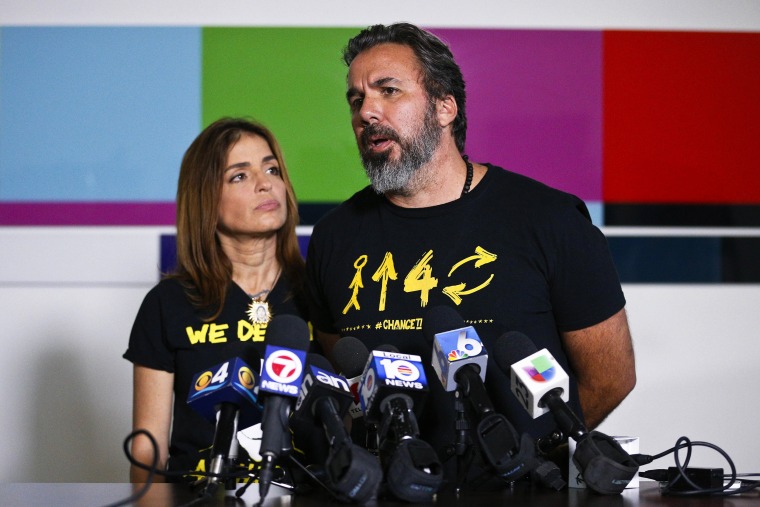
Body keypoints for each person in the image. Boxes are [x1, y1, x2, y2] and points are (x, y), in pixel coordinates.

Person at [305, 23, 636, 483]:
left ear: (445, 107)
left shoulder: (549, 220)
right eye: (357, 99)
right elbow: (344, 376)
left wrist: (532, 458)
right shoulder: (333, 237)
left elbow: (610, 378)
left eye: (388, 90)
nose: (367, 112)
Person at [124, 117, 309, 483]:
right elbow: (148, 452)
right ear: (206, 198)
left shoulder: (319, 291)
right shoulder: (167, 303)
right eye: (239, 175)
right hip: (199, 494)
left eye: (272, 168)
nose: (265, 183)